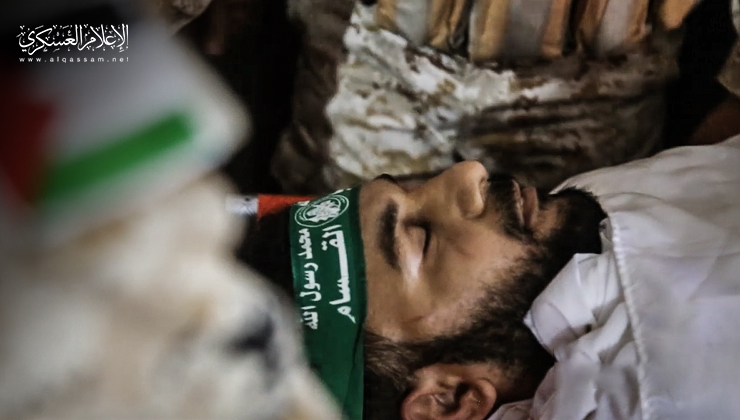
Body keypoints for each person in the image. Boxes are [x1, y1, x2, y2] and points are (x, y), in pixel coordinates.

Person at [238, 134, 740, 420]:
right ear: (449, 401)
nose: (469, 173)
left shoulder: (571, 227)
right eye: (421, 240)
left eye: (413, 187)